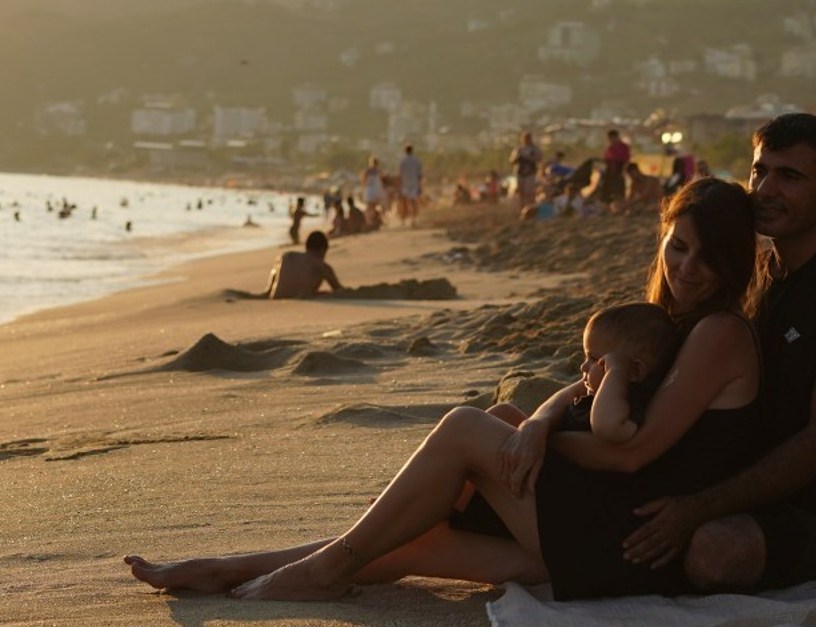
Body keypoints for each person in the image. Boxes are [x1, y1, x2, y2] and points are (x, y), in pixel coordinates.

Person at [124, 176, 762, 602]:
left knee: (466, 428)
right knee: (419, 535)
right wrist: (535, 427)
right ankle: (238, 569)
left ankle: (323, 568)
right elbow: (576, 387)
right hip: (602, 536)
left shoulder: (720, 333)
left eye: (705, 258)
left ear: (734, 264)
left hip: (626, 544)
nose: (685, 268)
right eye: (677, 248)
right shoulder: (672, 322)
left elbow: (632, 453)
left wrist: (526, 446)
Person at [622, 112, 816, 594]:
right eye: (760, 171)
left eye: (790, 176)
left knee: (714, 552)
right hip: (731, 488)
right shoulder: (752, 270)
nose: (766, 190)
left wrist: (700, 507)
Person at [265, 230, 344, 299]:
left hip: (277, 298)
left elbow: (269, 291)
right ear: (322, 249)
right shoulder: (321, 265)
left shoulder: (286, 256)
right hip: (298, 300)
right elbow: (339, 290)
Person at [509, 132, 542, 209]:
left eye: (528, 138)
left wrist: (528, 158)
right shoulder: (518, 149)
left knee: (529, 192)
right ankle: (522, 208)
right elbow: (512, 160)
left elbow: (539, 158)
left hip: (530, 172)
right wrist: (517, 157)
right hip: (519, 172)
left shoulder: (535, 149)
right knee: (521, 192)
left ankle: (530, 208)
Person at [397, 143, 424, 226]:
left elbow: (400, 175)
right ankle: (413, 219)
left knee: (404, 203)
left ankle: (403, 220)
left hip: (405, 184)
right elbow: (420, 175)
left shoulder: (402, 162)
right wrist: (420, 186)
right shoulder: (417, 161)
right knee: (413, 202)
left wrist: (399, 186)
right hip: (414, 184)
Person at [601, 129, 631, 202]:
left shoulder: (624, 147)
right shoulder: (610, 148)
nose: (611, 140)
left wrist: (622, 170)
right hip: (610, 171)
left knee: (618, 189)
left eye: (612, 138)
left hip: (619, 170)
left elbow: (626, 160)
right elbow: (606, 159)